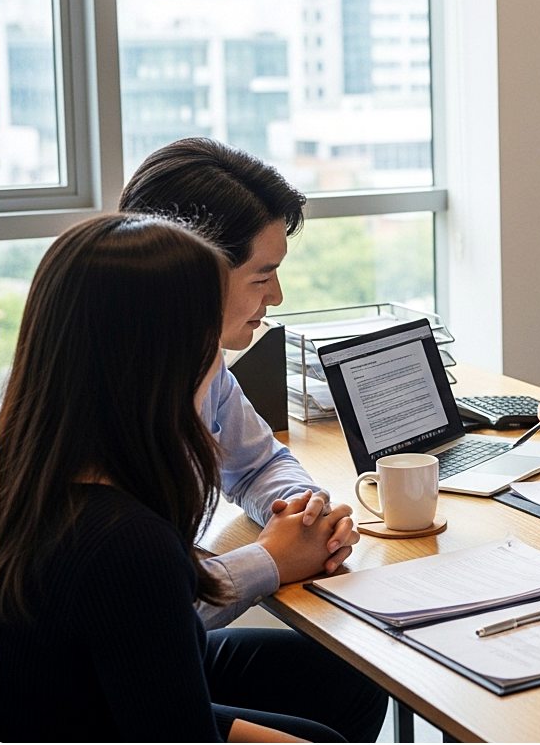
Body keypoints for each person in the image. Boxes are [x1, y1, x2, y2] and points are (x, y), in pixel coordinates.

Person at [0, 215, 341, 740]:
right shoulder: (125, 543)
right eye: (205, 340)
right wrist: (271, 559)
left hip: (66, 706)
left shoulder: (26, 466)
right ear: (165, 362)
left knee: (329, 683)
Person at [119, 138, 386, 740]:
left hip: (161, 646)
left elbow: (259, 461)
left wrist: (299, 509)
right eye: (263, 275)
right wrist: (271, 560)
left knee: (353, 675)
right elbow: (138, 615)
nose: (277, 298)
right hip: (84, 694)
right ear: (189, 272)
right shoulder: (96, 415)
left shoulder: (198, 364)